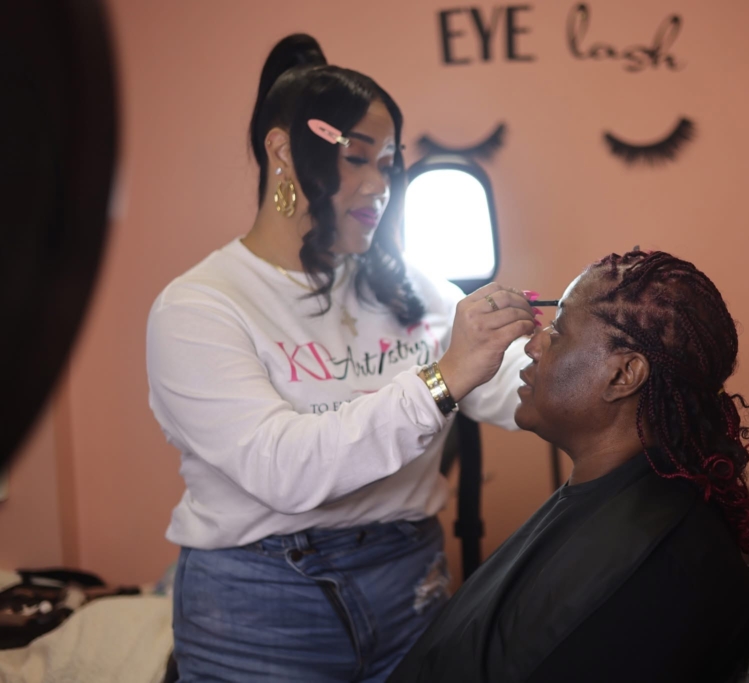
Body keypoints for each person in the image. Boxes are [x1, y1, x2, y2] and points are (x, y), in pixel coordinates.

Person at [145, 34, 538, 682]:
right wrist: (442, 377)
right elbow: (284, 469)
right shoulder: (199, 307)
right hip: (261, 605)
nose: (381, 185)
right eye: (359, 158)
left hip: (413, 584)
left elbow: (509, 385)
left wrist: (583, 350)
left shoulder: (411, 285)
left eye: (389, 162)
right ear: (281, 150)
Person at [388, 249, 749, 683]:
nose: (532, 346)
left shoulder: (646, 574)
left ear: (623, 374)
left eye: (557, 331)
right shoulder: (618, 498)